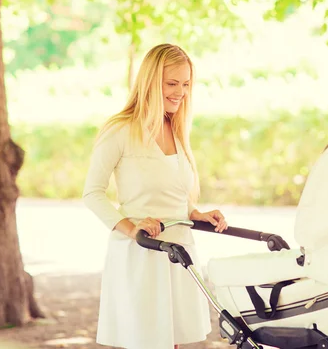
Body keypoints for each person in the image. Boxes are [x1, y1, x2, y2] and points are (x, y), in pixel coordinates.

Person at [82, 43, 228, 349]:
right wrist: (132, 227)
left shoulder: (175, 128)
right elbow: (92, 194)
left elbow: (169, 187)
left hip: (178, 251)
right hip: (142, 253)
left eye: (186, 84)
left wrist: (194, 212)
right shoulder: (119, 131)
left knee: (172, 343)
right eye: (171, 83)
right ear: (150, 82)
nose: (180, 92)